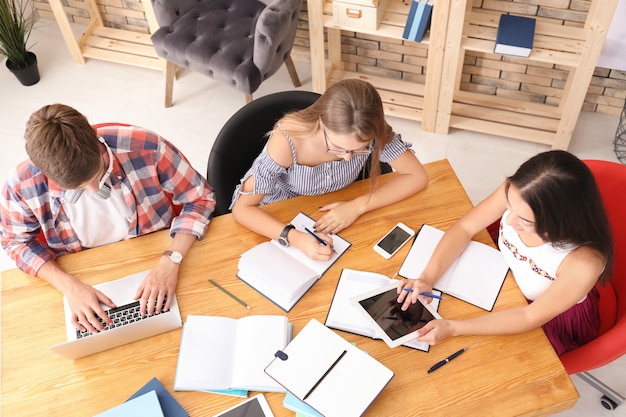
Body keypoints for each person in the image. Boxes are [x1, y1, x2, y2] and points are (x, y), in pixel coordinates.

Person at [0, 104, 215, 335]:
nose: (94, 191)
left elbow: (201, 198)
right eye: (80, 187)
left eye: (98, 176)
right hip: (83, 272)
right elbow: (15, 242)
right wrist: (68, 287)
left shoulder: (148, 147)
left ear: (95, 137)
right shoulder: (21, 184)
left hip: (158, 254)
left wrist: (171, 258)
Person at [397, 150, 614, 355]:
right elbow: (465, 227)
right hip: (501, 275)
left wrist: (453, 328)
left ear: (560, 222)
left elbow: (529, 317)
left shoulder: (583, 263)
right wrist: (426, 278)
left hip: (542, 314)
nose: (509, 220)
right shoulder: (521, 192)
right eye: (509, 206)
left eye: (526, 220)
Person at [230, 79, 429, 260]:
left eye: (358, 150)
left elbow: (417, 176)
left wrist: (358, 206)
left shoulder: (372, 131)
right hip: (277, 216)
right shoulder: (288, 139)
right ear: (321, 120)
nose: (347, 157)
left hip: (328, 210)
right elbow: (242, 209)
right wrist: (295, 238)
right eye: (338, 147)